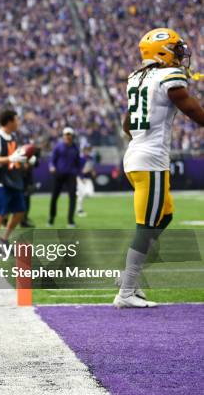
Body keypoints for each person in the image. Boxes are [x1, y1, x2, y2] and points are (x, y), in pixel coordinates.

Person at [115, 28, 204, 308]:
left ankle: (127, 275)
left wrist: (141, 141)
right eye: (176, 50)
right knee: (147, 225)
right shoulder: (169, 77)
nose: (180, 56)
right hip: (149, 160)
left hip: (140, 156)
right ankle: (126, 291)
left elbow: (127, 123)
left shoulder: (138, 77)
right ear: (162, 52)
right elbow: (191, 109)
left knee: (164, 216)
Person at [0, 110, 31, 244]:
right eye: (16, 120)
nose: (18, 123)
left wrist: (25, 161)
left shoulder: (12, 137)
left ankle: (4, 239)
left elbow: (14, 159)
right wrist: (11, 158)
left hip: (12, 181)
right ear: (10, 121)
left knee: (20, 211)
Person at [48, 127, 80, 228]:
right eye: (66, 134)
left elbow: (78, 162)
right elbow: (52, 160)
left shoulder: (75, 148)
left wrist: (77, 172)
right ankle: (51, 218)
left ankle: (70, 221)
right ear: (63, 136)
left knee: (72, 198)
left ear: (72, 136)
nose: (67, 136)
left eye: (69, 134)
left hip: (71, 175)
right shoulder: (58, 147)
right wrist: (52, 167)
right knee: (54, 197)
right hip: (59, 174)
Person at [76, 144, 96, 217]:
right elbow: (78, 169)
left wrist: (93, 171)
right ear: (83, 150)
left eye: (89, 149)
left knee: (90, 193)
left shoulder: (91, 158)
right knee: (80, 195)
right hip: (81, 178)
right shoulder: (81, 158)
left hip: (87, 178)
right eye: (86, 149)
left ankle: (78, 209)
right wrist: (81, 177)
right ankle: (79, 210)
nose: (88, 150)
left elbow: (91, 167)